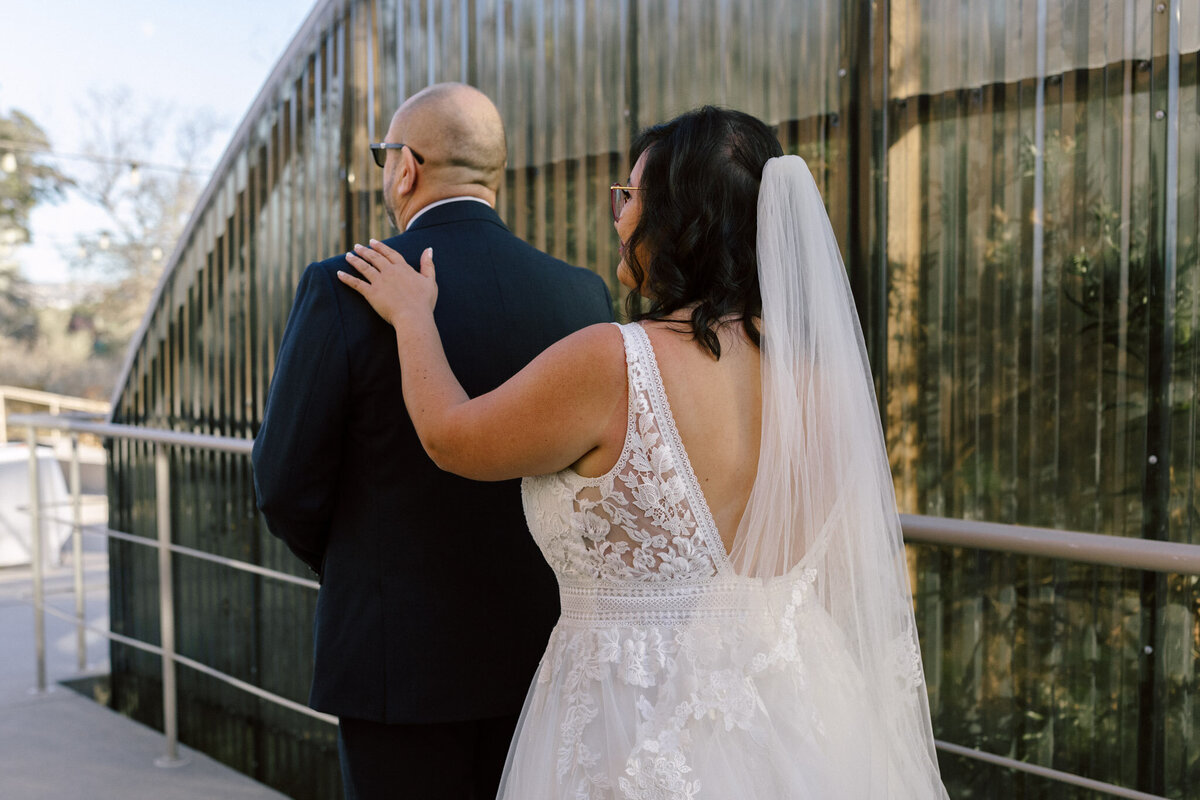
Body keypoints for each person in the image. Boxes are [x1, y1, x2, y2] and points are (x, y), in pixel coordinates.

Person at [339, 106, 949, 797]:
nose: (618, 216)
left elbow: (450, 436)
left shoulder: (614, 361)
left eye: (630, 196)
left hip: (628, 723)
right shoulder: (826, 385)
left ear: (678, 220)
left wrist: (413, 316)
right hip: (799, 716)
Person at [251, 83, 614, 800]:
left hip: (396, 665)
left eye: (386, 156)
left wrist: (367, 568)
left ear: (406, 168)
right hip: (543, 654)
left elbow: (284, 483)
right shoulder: (582, 296)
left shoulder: (343, 286)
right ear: (495, 175)